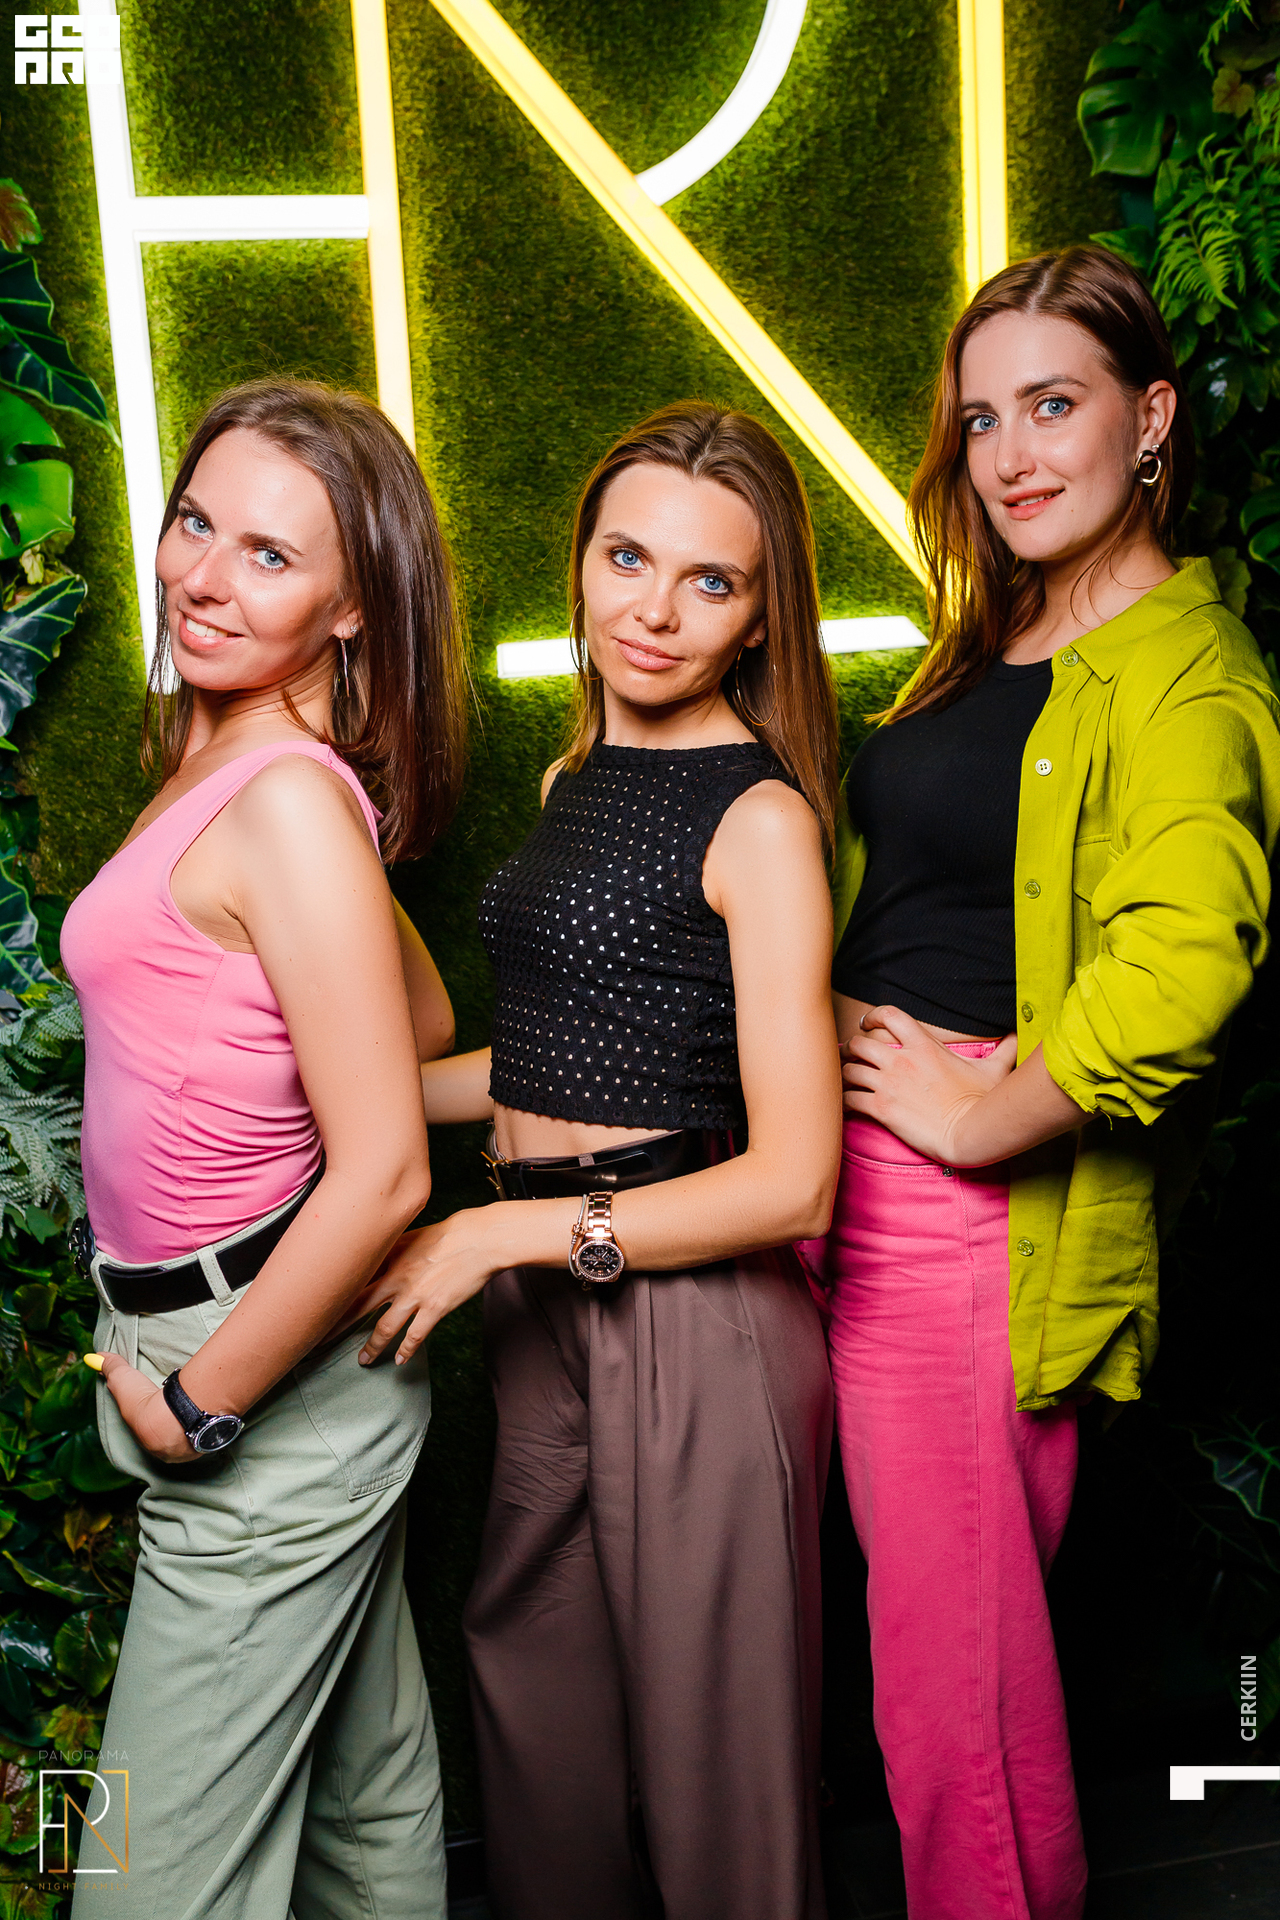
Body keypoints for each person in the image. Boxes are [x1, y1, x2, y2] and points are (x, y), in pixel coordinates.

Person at [806, 245, 1280, 1919]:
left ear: (1150, 420)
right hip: (848, 1186)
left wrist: (975, 1119)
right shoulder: (995, 636)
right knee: (953, 1680)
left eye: (1054, 406)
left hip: (970, 1225)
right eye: (982, 418)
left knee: (953, 1704)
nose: (1009, 455)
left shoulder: (1190, 671)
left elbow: (1183, 968)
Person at [346, 401, 842, 1920]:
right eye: (628, 558)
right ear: (581, 563)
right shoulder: (576, 780)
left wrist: (493, 1235)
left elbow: (796, 1180)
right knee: (532, 1702)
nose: (654, 609)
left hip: (694, 1319)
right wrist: (345, 1100)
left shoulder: (760, 817)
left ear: (761, 617)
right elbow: (553, 1065)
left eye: (710, 580)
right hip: (543, 1309)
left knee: (715, 1773)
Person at [60, 379, 468, 1919]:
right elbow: (414, 1017)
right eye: (195, 523)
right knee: (366, 1813)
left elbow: (386, 1173)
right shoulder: (247, 765)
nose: (205, 577)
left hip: (258, 1374)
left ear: (352, 608)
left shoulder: (291, 798)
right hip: (234, 1346)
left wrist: (198, 1410)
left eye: (272, 555)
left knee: (139, 1882)